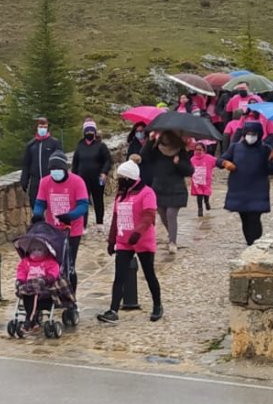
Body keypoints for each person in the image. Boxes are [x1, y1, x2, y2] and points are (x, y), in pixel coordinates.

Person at [100, 161, 164, 324]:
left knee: (149, 274)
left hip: (142, 240)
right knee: (119, 276)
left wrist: (138, 232)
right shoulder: (121, 195)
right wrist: (111, 239)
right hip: (124, 241)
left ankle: (157, 305)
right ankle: (113, 310)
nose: (119, 180)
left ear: (130, 178)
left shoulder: (146, 193)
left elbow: (149, 215)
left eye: (122, 177)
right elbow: (116, 217)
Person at [33, 151, 88, 292]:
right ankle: (53, 291)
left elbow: (83, 205)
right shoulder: (45, 182)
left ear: (65, 169)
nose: (55, 173)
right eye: (52, 170)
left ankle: (71, 295)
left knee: (69, 263)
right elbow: (40, 203)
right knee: (52, 263)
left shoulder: (77, 182)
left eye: (58, 170)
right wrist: (38, 214)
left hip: (72, 229)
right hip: (52, 230)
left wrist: (71, 215)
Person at [218, 121, 273, 245]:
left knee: (254, 218)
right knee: (244, 218)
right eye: (249, 133)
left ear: (259, 134)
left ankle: (256, 244)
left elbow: (272, 171)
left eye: (254, 134)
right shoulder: (235, 147)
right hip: (239, 190)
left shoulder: (265, 149)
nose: (251, 136)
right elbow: (220, 160)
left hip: (258, 190)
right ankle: (250, 243)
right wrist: (225, 163)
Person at [140, 131, 193, 254]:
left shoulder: (180, 151)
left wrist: (178, 163)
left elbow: (189, 170)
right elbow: (143, 156)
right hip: (159, 188)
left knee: (171, 214)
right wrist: (150, 140)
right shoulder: (156, 150)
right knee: (162, 214)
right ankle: (171, 235)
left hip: (176, 189)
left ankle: (172, 242)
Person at [73, 118, 112, 232]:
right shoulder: (80, 146)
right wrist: (74, 177)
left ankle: (99, 223)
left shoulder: (101, 146)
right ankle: (83, 225)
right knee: (82, 201)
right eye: (87, 131)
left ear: (95, 132)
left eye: (91, 130)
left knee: (98, 199)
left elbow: (108, 160)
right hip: (82, 179)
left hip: (97, 177)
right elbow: (75, 163)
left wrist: (104, 172)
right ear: (84, 132)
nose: (89, 133)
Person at [20, 117, 63, 207]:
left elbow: (60, 162)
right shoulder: (31, 145)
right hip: (35, 181)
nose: (42, 128)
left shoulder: (54, 143)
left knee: (51, 206)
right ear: (37, 127)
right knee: (35, 205)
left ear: (47, 128)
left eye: (44, 126)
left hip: (50, 179)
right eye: (40, 126)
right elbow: (26, 164)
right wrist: (24, 180)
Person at [191, 142, 217, 217]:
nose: (198, 151)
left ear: (204, 150)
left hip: (206, 181)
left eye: (200, 150)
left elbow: (217, 162)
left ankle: (207, 202)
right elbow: (188, 169)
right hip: (196, 181)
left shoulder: (209, 158)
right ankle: (200, 209)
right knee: (199, 195)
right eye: (196, 150)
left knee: (206, 193)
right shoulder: (192, 159)